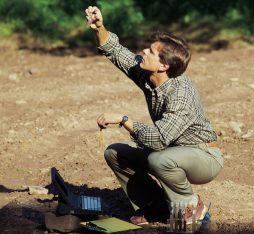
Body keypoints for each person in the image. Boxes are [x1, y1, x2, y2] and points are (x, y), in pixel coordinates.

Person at [85, 6, 223, 225]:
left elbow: (158, 140)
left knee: (159, 159)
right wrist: (99, 27)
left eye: (150, 52)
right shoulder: (149, 76)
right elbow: (116, 51)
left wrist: (123, 119)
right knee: (115, 153)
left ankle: (191, 205)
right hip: (172, 150)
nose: (144, 53)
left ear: (164, 65)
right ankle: (157, 206)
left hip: (204, 156)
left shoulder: (181, 93)